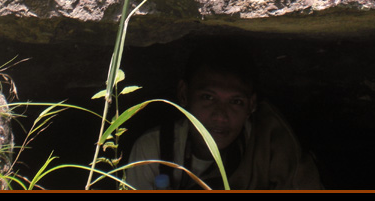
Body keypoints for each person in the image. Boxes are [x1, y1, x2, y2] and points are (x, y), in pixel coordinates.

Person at [125, 41, 324, 190]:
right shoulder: (154, 151)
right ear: (184, 95)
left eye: (236, 102)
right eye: (208, 98)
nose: (221, 116)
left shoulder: (270, 142)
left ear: (251, 105)